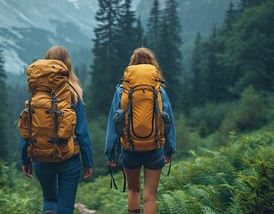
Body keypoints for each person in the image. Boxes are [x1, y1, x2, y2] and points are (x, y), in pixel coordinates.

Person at [20, 46, 94, 214]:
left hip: (41, 156)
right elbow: (81, 132)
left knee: (49, 200)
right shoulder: (73, 92)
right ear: (67, 64)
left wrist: (25, 159)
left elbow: (27, 129)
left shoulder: (34, 94)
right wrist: (88, 162)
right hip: (68, 157)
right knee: (65, 206)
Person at [105, 47, 176, 214]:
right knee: (150, 197)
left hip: (130, 148)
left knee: (133, 190)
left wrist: (110, 152)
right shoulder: (159, 90)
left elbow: (114, 121)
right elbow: (168, 119)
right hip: (155, 147)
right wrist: (170, 149)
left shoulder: (122, 90)